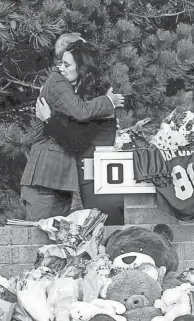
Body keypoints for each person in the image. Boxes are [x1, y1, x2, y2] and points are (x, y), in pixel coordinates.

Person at [21, 36, 125, 221]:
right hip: (46, 179)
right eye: (62, 62)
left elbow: (76, 139)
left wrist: (50, 120)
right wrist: (109, 101)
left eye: (67, 64)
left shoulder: (79, 93)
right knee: (40, 242)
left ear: (83, 65)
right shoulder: (58, 81)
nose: (61, 68)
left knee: (55, 246)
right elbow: (80, 112)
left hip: (61, 183)